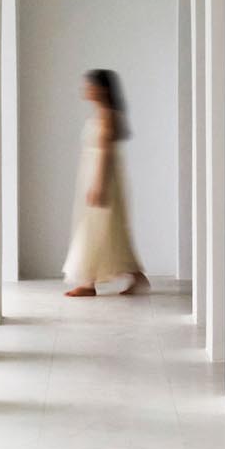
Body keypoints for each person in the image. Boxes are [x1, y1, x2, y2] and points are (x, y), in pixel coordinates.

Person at [63, 69, 150, 298]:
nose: (86, 90)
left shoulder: (107, 115)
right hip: (93, 176)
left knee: (97, 227)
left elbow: (106, 153)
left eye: (89, 85)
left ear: (101, 89)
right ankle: (130, 276)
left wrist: (99, 184)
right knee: (102, 228)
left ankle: (88, 282)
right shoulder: (101, 114)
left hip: (102, 178)